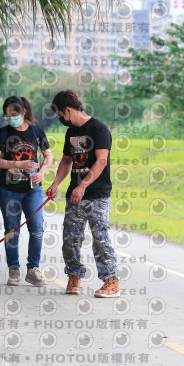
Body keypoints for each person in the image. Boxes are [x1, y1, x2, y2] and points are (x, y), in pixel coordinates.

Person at [46, 90, 119, 298]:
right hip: (75, 195)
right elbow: (67, 161)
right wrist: (56, 184)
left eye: (60, 114)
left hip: (97, 194)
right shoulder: (71, 133)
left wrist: (83, 185)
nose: (61, 119)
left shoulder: (98, 128)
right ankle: (74, 275)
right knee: (70, 238)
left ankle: (111, 281)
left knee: (100, 239)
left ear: (68, 110)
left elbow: (101, 161)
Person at [0, 96, 53, 286]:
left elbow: (48, 156)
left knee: (37, 229)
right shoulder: (2, 133)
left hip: (33, 189)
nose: (11, 118)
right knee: (11, 230)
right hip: (9, 190)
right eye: (7, 115)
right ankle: (14, 270)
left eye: (14, 115)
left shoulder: (36, 131)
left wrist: (42, 172)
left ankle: (33, 269)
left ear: (24, 112)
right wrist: (18, 163)